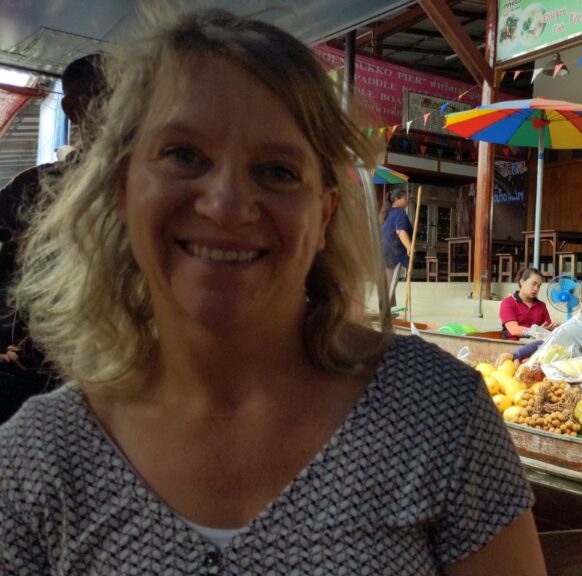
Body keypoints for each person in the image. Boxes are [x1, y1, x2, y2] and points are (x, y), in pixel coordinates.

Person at [0, 10, 545, 574]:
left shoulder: (438, 416)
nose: (227, 205)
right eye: (184, 155)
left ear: (324, 211)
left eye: (278, 171)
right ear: (122, 187)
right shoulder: (36, 462)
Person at [0, 53, 107, 424]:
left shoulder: (162, 188)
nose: (122, 110)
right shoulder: (31, 190)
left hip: (121, 372)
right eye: (104, 96)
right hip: (38, 370)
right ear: (72, 109)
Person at [381, 186, 414, 305]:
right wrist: (410, 247)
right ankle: (386, 311)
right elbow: (400, 231)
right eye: (405, 198)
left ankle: (391, 309)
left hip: (386, 252)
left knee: (390, 282)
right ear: (397, 199)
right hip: (395, 254)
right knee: (391, 283)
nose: (407, 200)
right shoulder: (400, 213)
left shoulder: (387, 214)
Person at [499, 267, 553, 340]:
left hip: (536, 345)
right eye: (533, 284)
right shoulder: (508, 303)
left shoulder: (541, 305)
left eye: (539, 286)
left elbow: (548, 327)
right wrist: (536, 332)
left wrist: (549, 330)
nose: (536, 289)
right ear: (522, 282)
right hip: (513, 345)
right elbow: (513, 329)